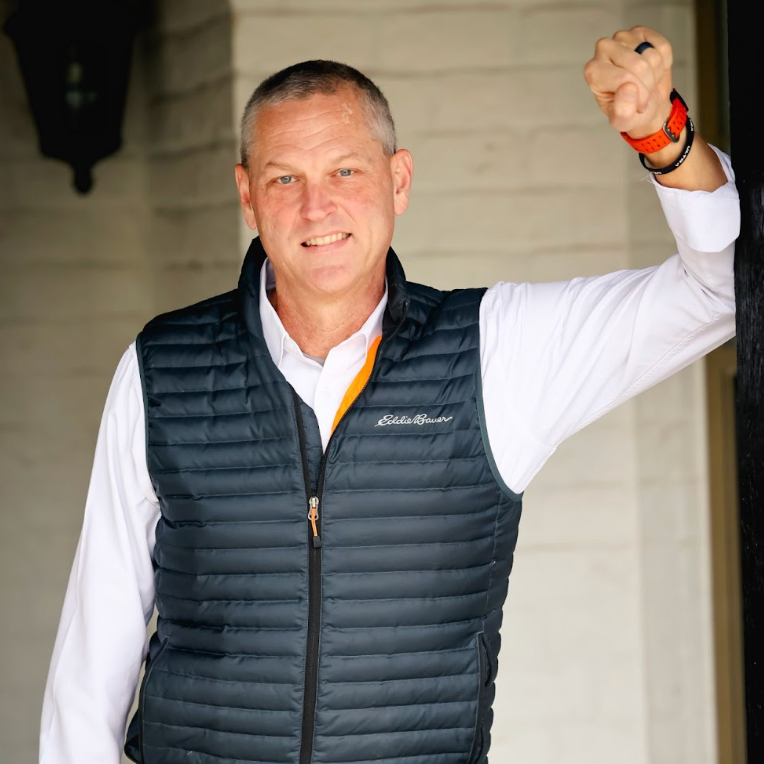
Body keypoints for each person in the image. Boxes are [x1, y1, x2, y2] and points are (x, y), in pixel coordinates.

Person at [39, 26, 738, 764]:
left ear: (398, 180)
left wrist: (664, 138)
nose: (317, 207)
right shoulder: (164, 367)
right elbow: (92, 663)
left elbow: (724, 290)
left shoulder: (495, 351)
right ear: (247, 196)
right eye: (285, 179)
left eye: (345, 171)